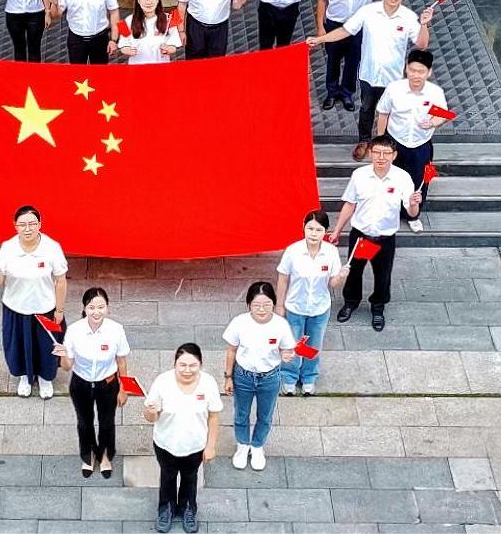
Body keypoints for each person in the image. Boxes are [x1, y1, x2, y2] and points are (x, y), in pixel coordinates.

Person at [308, 0, 432, 162]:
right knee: (367, 108)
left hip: (393, 78)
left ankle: (387, 145)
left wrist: (424, 25)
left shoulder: (408, 17)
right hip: (368, 74)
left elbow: (422, 44)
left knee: (390, 112)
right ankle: (364, 141)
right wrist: (320, 39)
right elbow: (345, 30)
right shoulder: (368, 12)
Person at [326, 134, 421, 332]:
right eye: (377, 152)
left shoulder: (402, 178)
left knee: (383, 275)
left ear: (394, 155)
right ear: (370, 153)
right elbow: (350, 204)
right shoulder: (359, 175)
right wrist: (337, 230)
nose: (381, 157)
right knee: (353, 272)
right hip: (361, 235)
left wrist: (414, 204)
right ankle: (350, 302)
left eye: (386, 153)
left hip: (385, 238)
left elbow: (412, 212)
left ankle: (378, 307)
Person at [0, 205, 68, 399]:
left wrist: (59, 310)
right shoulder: (8, 248)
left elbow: (60, 281)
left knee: (47, 347)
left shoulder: (52, 247)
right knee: (19, 346)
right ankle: (25, 377)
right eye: (22, 224)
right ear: (15, 226)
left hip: (45, 308)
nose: (27, 229)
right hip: (16, 309)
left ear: (39, 225)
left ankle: (45, 378)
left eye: (32, 224)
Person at [52, 287, 130, 478]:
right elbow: (67, 367)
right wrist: (63, 355)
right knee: (84, 423)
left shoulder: (116, 330)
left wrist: (124, 389)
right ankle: (88, 455)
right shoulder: (74, 330)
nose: (96, 312)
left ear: (107, 307)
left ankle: (105, 456)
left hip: (108, 383)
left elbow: (121, 361)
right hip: (81, 383)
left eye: (101, 307)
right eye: (91, 307)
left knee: (107, 423)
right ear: (84, 308)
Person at [144, 343, 221, 534]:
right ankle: (166, 510)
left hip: (195, 445)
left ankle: (188, 509)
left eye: (192, 365)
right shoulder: (162, 382)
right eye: (182, 365)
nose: (187, 370)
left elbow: (213, 416)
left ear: (200, 364)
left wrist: (210, 446)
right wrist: (151, 411)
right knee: (167, 477)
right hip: (165, 444)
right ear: (175, 364)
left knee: (190, 478)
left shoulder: (208, 383)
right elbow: (150, 417)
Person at [314, 0, 396, 113]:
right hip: (335, 25)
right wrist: (320, 27)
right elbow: (321, 0)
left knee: (353, 62)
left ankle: (347, 94)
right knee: (333, 60)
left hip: (359, 27)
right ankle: (331, 93)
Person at [222, 282, 295, 472]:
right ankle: (242, 445)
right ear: (249, 305)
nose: (261, 309)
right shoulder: (240, 322)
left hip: (269, 377)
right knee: (241, 414)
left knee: (265, 415)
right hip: (243, 376)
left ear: (274, 304)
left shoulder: (280, 325)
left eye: (267, 304)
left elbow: (286, 349)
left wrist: (286, 355)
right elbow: (231, 350)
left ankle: (257, 446)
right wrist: (228, 376)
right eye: (256, 305)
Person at [275, 210, 349, 396]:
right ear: (303, 228)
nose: (313, 234)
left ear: (325, 231)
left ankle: (309, 377)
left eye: (318, 230)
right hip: (295, 307)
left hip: (319, 308)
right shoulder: (293, 251)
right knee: (293, 344)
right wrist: (279, 305)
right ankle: (289, 377)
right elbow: (283, 278)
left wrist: (341, 276)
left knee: (313, 345)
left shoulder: (331, 252)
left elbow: (333, 283)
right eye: (310, 229)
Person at [376, 49, 450, 234]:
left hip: (420, 145)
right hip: (395, 141)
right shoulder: (394, 89)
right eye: (412, 70)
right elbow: (383, 113)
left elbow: (444, 114)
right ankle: (388, 212)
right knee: (389, 178)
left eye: (421, 71)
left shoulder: (435, 92)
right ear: (406, 69)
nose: (416, 75)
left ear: (429, 72)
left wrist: (432, 122)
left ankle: (413, 216)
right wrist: (381, 141)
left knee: (419, 182)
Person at [118, 0, 181, 65]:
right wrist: (126, 50)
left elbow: (174, 45)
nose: (148, 2)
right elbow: (122, 45)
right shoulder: (126, 21)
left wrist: (169, 49)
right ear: (138, 0)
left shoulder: (169, 19)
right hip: (136, 68)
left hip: (161, 67)